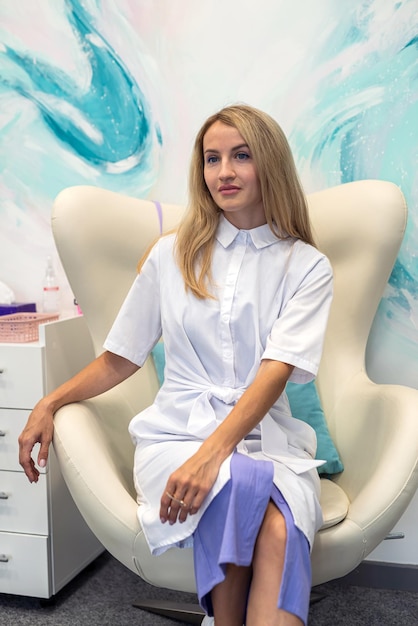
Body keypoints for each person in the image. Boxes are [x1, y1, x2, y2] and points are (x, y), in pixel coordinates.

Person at [19, 104, 333, 626]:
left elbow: (275, 370)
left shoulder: (308, 266)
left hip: (266, 442)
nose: (224, 172)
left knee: (274, 521)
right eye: (212, 159)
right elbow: (121, 357)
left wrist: (213, 456)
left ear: (271, 164)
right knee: (240, 487)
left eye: (241, 156)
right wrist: (49, 402)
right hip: (175, 439)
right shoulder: (171, 256)